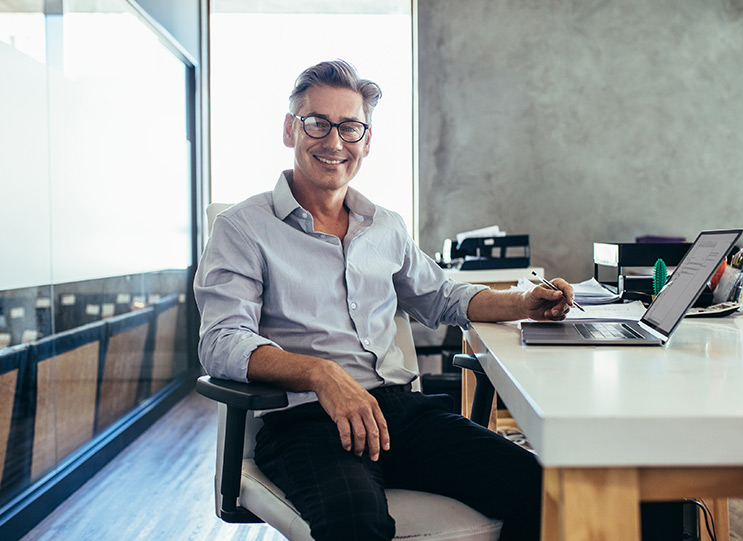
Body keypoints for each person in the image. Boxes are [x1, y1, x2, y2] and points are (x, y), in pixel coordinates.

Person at [194, 60, 575, 541]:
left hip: (402, 415)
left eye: (349, 127)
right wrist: (321, 373)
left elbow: (443, 296)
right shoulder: (243, 228)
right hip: (308, 422)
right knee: (357, 524)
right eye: (317, 123)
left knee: (545, 490)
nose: (334, 142)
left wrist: (524, 303)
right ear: (290, 129)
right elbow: (222, 341)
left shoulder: (385, 225)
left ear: (366, 141)